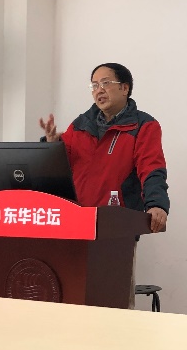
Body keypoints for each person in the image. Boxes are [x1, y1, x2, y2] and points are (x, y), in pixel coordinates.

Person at [38, 63, 169, 234]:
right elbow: (59, 168)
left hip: (118, 224)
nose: (99, 90)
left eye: (105, 83)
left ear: (124, 88)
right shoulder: (80, 125)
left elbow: (151, 169)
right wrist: (52, 144)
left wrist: (156, 204)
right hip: (75, 220)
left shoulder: (143, 126)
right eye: (94, 85)